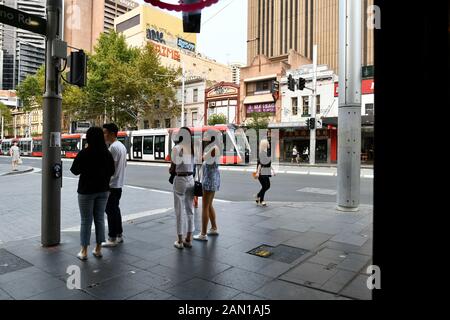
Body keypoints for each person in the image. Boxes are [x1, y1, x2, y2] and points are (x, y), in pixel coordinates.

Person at [70, 127, 115, 261]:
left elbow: (74, 170)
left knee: (86, 221)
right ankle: (98, 249)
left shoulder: (84, 153)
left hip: (86, 191)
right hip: (103, 191)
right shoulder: (107, 154)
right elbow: (112, 171)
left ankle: (84, 251)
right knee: (100, 219)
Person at [102, 123, 128, 248]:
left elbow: (109, 168)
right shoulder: (121, 146)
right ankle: (119, 235)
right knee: (115, 210)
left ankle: (112, 237)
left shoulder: (113, 148)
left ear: (112, 133)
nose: (104, 135)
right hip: (119, 184)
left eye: (105, 132)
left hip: (112, 185)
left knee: (110, 211)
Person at [170, 127, 195, 249]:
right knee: (190, 210)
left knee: (179, 211)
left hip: (180, 180)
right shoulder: (193, 149)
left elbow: (172, 168)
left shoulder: (176, 148)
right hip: (191, 180)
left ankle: (179, 240)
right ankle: (188, 239)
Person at [193, 135, 221, 241]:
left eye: (206, 136)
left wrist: (200, 147)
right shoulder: (214, 148)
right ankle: (214, 228)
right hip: (212, 180)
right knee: (209, 205)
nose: (204, 137)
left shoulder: (214, 148)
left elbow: (202, 158)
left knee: (205, 207)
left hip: (209, 182)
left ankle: (203, 234)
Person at [255, 139, 276, 207]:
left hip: (266, 171)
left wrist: (273, 170)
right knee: (265, 186)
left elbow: (269, 163)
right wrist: (258, 172)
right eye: (267, 143)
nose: (268, 144)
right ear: (265, 145)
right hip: (262, 172)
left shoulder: (266, 153)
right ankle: (261, 200)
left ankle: (258, 196)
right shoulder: (262, 153)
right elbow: (260, 164)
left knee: (266, 186)